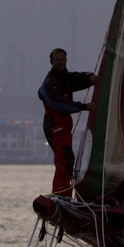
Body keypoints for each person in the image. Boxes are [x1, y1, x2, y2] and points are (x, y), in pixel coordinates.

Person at [38, 48, 97, 195]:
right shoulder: (50, 82)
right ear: (51, 62)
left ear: (66, 60)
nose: (60, 62)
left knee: (68, 159)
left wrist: (90, 78)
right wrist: (84, 106)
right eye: (57, 60)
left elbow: (76, 79)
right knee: (64, 160)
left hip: (63, 125)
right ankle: (60, 194)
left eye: (62, 59)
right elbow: (60, 104)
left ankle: (64, 194)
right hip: (54, 125)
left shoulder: (64, 78)